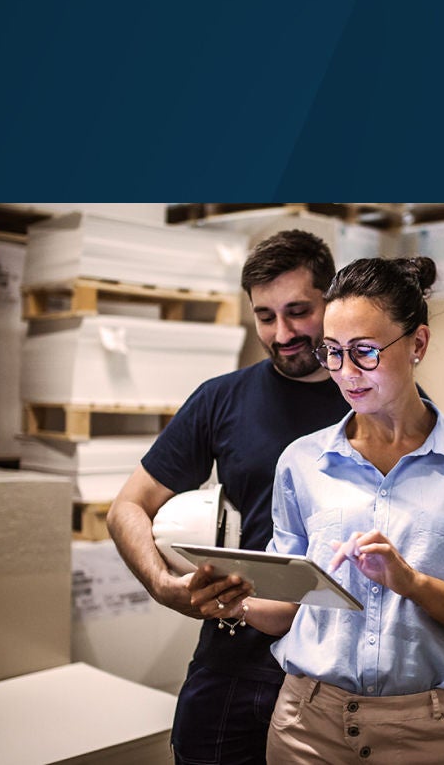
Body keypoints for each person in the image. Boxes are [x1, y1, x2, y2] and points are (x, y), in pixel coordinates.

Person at [195, 256, 444, 765]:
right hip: (307, 728)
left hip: (435, 733)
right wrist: (236, 600)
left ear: (417, 344)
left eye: (364, 352)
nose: (346, 373)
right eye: (332, 353)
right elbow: (289, 608)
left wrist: (412, 583)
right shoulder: (302, 462)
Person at [107, 229, 352, 765]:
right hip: (235, 661)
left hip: (340, 667)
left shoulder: (379, 399)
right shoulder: (223, 398)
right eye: (265, 316)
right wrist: (162, 585)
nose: (282, 332)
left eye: (298, 311)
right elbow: (128, 505)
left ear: (331, 302)